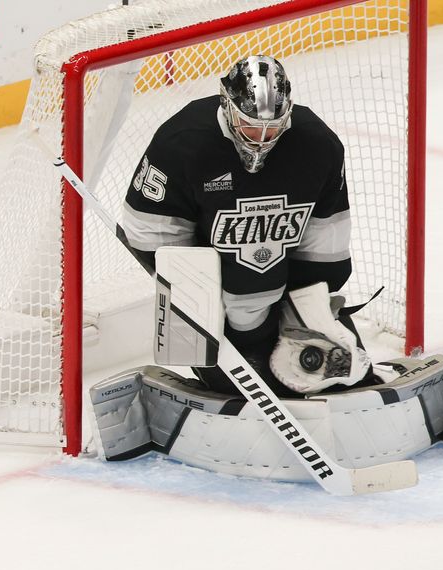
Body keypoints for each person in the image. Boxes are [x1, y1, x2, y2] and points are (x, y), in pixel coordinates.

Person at [118, 54, 372, 398]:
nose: (261, 139)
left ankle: (277, 332)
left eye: (273, 128)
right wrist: (201, 304)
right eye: (251, 126)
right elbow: (149, 238)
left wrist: (301, 312)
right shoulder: (183, 141)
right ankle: (244, 348)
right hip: (216, 301)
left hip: (283, 287)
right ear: (227, 105)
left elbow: (326, 248)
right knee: (248, 301)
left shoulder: (318, 146)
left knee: (347, 372)